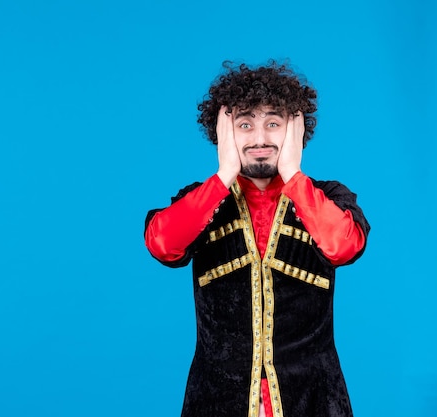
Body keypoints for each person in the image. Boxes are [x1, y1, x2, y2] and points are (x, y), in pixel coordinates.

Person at [144, 61, 370, 417]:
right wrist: (222, 178)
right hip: (217, 402)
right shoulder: (202, 200)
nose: (260, 138)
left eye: (274, 123)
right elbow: (162, 243)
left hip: (313, 401)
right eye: (245, 124)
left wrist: (293, 175)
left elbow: (343, 245)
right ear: (224, 131)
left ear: (294, 130)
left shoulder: (328, 197)